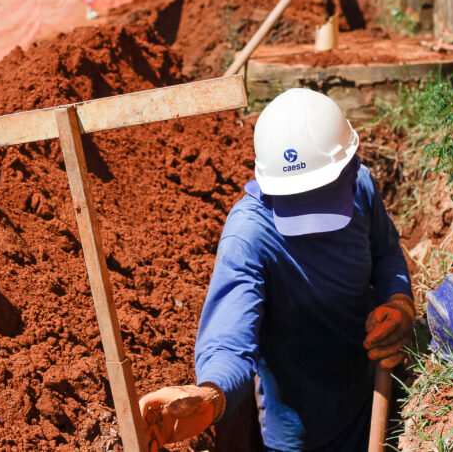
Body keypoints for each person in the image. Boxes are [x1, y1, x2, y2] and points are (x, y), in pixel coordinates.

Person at [139, 88, 416, 452]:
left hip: (371, 401)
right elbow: (230, 341)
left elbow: (384, 253)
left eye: (323, 196)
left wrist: (399, 304)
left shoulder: (361, 188)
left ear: (351, 167)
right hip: (295, 434)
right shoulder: (250, 236)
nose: (314, 223)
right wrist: (210, 395)